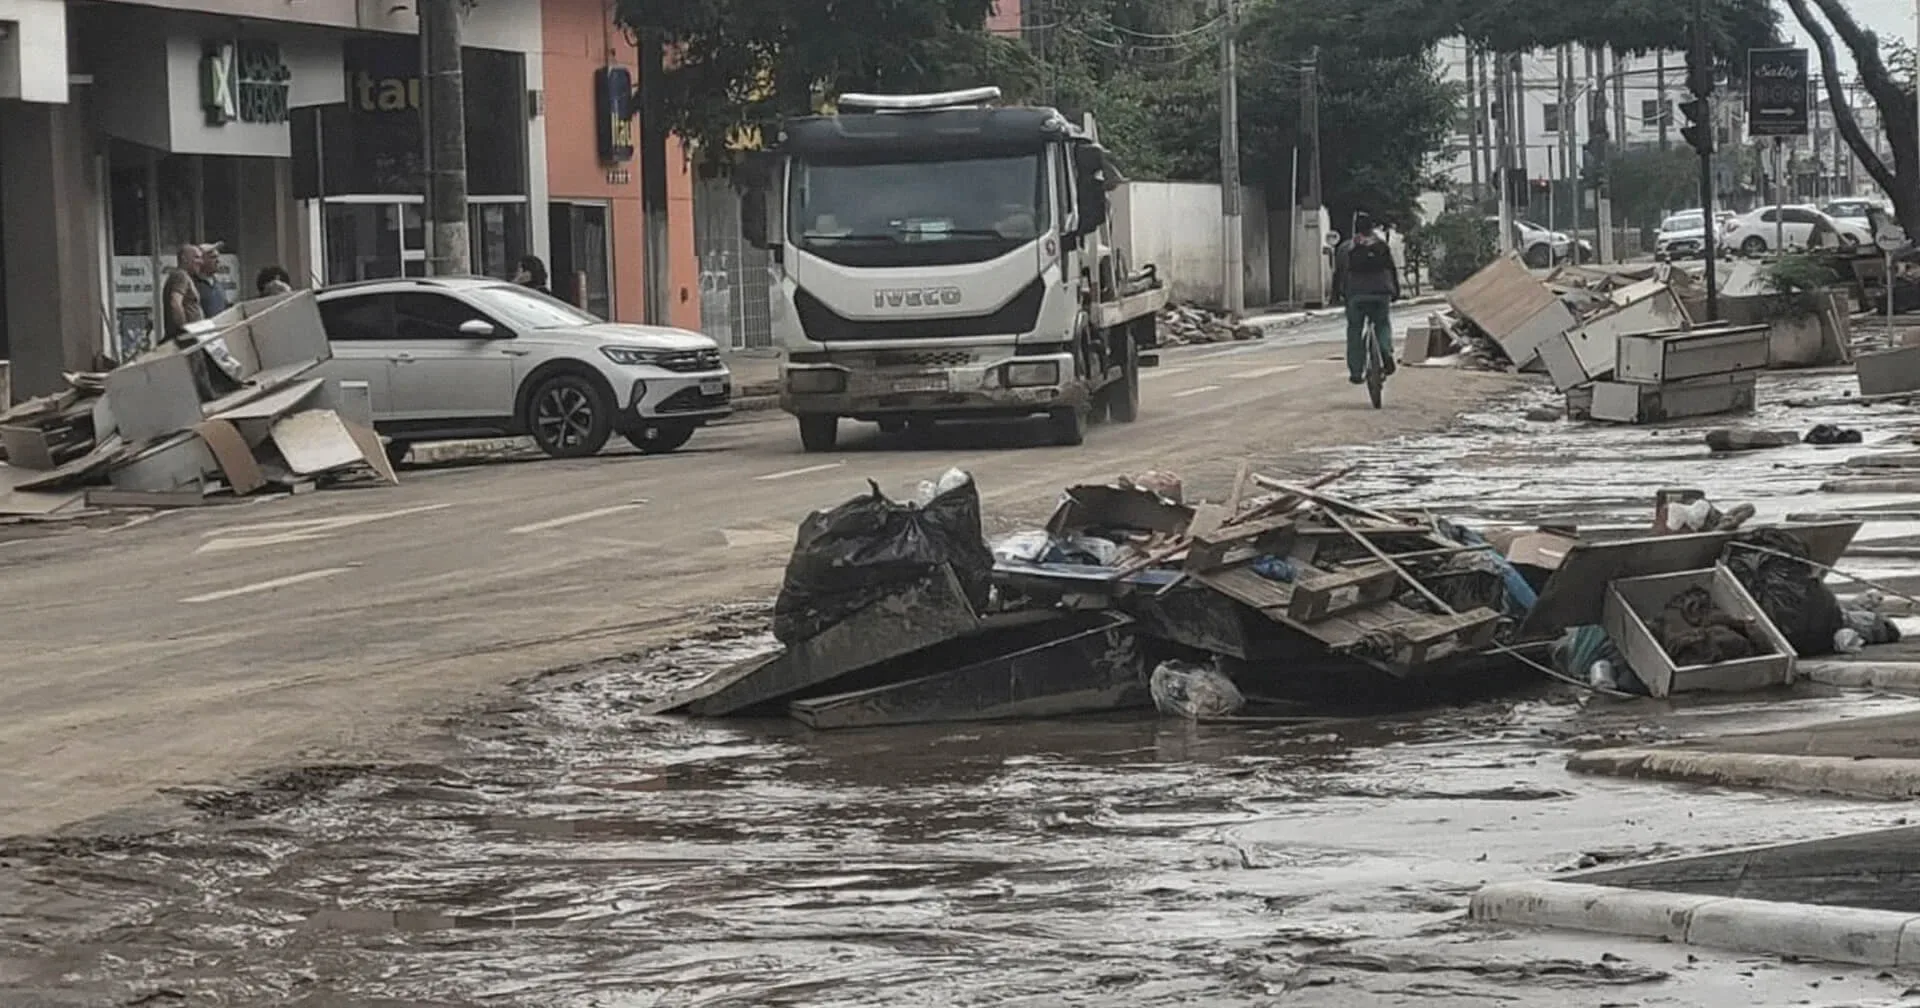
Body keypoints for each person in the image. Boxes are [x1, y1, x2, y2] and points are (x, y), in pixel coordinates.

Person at [1332, 211, 1401, 386]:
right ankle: (1386, 352)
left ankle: (1356, 371)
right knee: (1382, 324)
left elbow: (1338, 274)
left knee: (1355, 329)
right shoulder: (1381, 245)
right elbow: (1391, 269)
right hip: (1381, 293)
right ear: (1372, 227)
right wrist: (1395, 291)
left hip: (1355, 295)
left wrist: (1337, 295)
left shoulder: (1346, 248)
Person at [160, 243, 206, 344]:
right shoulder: (181, 275)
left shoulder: (183, 276)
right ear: (184, 259)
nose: (201, 262)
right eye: (197, 257)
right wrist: (184, 330)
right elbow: (175, 303)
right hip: (185, 340)